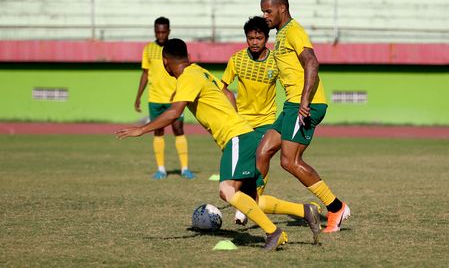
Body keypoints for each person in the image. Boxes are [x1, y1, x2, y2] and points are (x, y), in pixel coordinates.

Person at [116, 38, 322, 250]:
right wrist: (232, 118)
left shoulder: (187, 77)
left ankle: (274, 232)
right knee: (252, 199)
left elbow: (174, 112)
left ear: (165, 61)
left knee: (227, 191)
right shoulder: (198, 71)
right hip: (245, 134)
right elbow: (227, 92)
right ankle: (305, 211)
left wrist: (142, 129)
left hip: (237, 138)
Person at [257, 0, 350, 233]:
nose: (265, 16)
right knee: (263, 150)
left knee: (289, 161)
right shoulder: (281, 35)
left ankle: (336, 207)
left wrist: (305, 100)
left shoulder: (295, 31)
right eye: (262, 11)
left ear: (282, 9)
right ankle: (250, 206)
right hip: (292, 104)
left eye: (268, 11)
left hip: (305, 104)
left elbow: (312, 61)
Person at [221, 16, 278, 225]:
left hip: (267, 120)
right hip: (242, 122)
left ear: (267, 38)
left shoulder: (276, 61)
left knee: (261, 159)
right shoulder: (237, 59)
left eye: (259, 38)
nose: (254, 42)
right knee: (244, 164)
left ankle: (248, 206)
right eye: (250, 38)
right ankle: (247, 203)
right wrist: (233, 111)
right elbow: (223, 87)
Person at [134, 17, 195, 180]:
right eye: (157, 31)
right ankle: (161, 169)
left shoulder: (173, 49)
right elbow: (145, 73)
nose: (160, 34)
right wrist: (138, 96)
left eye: (163, 31)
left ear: (169, 31)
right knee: (158, 131)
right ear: (155, 31)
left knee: (178, 129)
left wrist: (181, 90)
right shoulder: (148, 49)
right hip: (155, 98)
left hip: (174, 97)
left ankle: (185, 169)